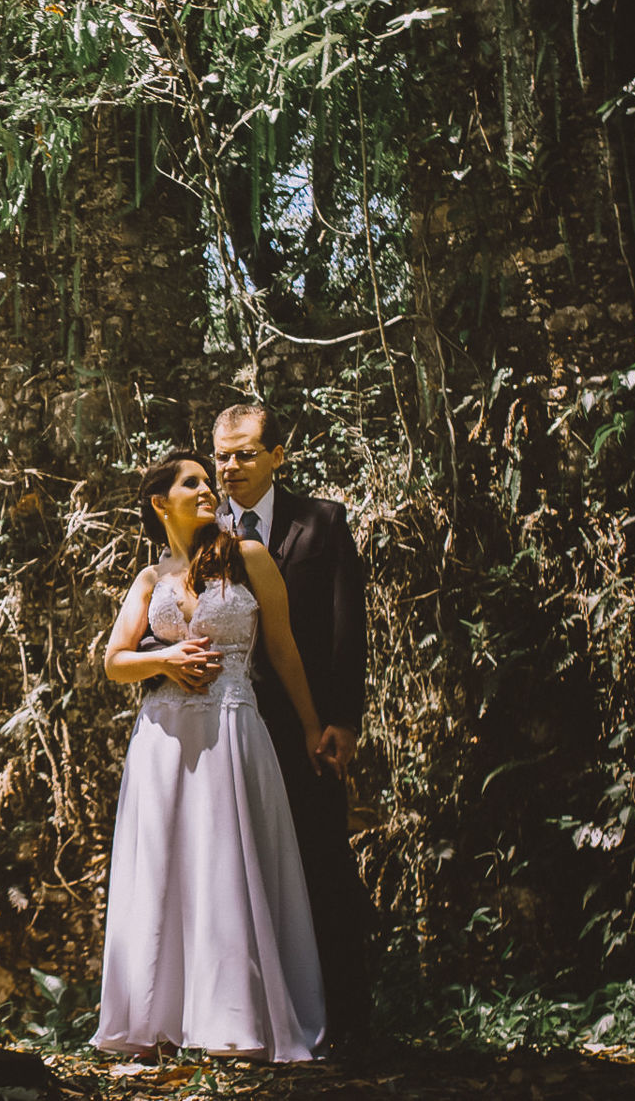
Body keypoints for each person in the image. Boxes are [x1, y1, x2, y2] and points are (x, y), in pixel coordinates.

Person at [89, 451, 327, 1061]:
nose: (208, 487)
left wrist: (311, 727)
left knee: (227, 859)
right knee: (169, 865)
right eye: (190, 481)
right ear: (158, 502)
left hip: (231, 727)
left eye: (206, 479)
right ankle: (156, 1020)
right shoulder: (150, 579)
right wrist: (163, 660)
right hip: (163, 737)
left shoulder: (247, 559)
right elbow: (114, 661)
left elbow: (284, 650)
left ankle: (234, 1018)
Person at [211, 403, 375, 1050]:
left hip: (305, 727)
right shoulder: (200, 522)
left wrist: (343, 720)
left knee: (323, 863)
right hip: (227, 725)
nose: (230, 467)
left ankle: (347, 1024)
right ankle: (252, 1020)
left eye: (246, 453)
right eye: (222, 455)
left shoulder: (322, 521)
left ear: (278, 454)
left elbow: (347, 629)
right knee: (238, 868)